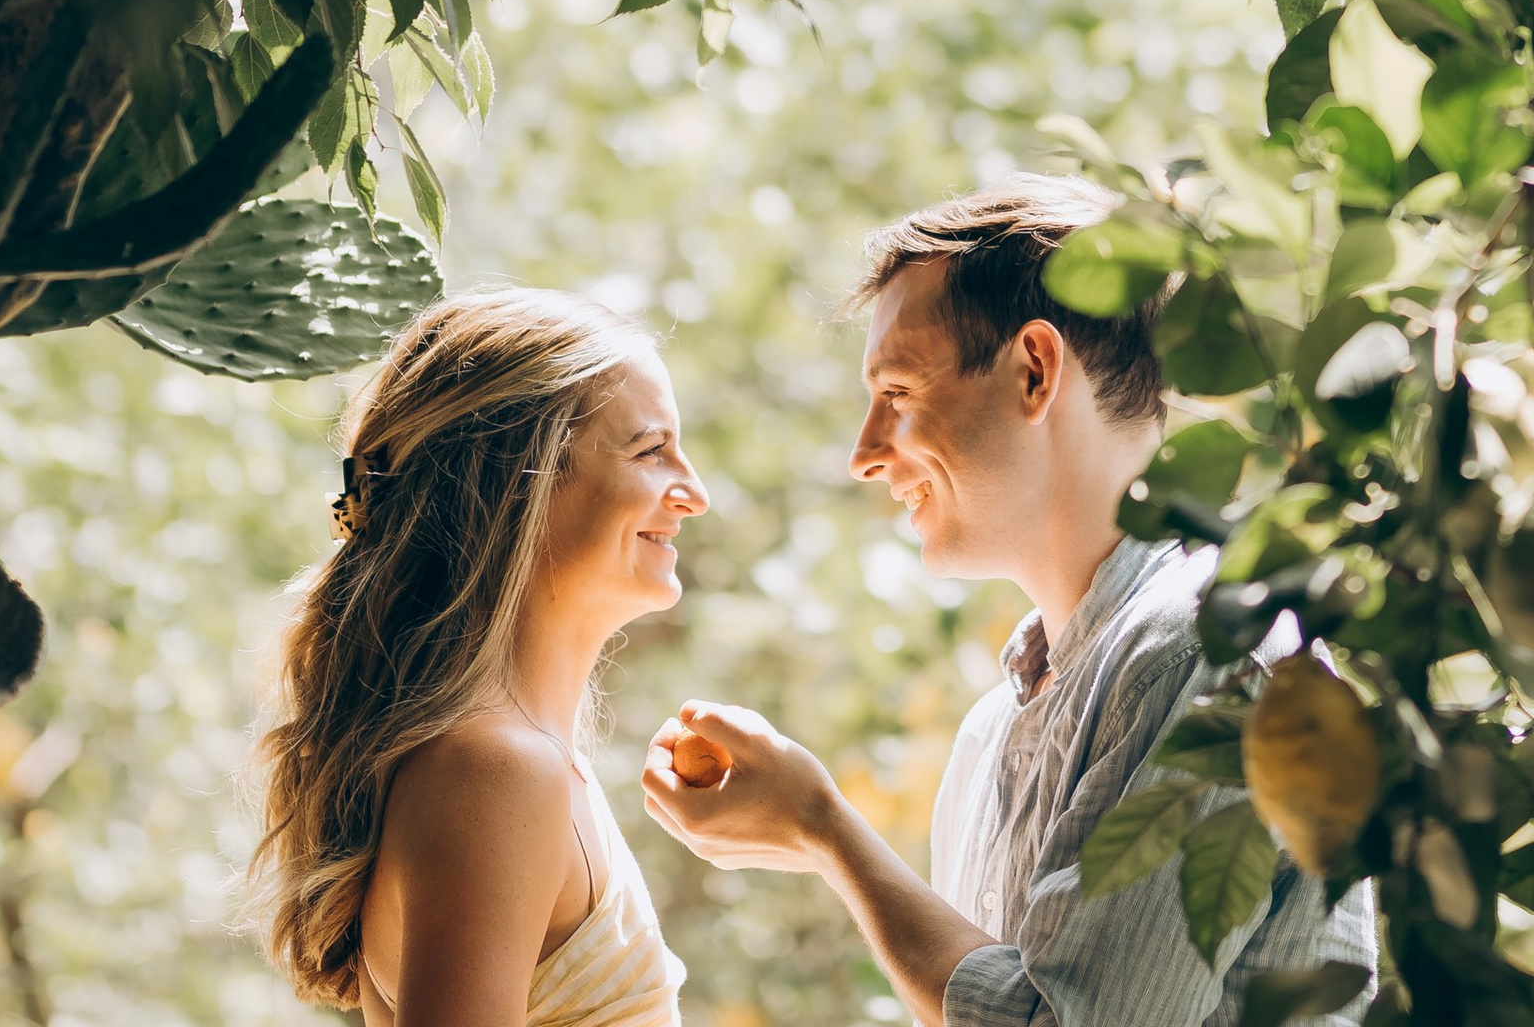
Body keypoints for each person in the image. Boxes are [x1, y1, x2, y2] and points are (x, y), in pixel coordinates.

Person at [640, 180, 1376, 1027]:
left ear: (1034, 371)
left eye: (898, 393)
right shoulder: (990, 735)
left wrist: (824, 831)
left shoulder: (1211, 654)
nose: (864, 455)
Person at [248, 288, 708, 1027]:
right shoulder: (497, 772)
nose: (695, 493)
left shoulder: (516, 762)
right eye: (651, 451)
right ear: (520, 481)